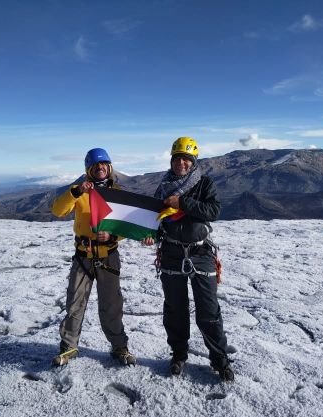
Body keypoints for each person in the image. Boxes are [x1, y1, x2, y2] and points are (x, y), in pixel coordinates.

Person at [145, 137, 234, 381]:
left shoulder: (204, 184)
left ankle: (220, 360)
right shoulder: (163, 187)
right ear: (172, 160)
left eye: (187, 159)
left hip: (200, 253)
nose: (181, 163)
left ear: (193, 162)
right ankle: (179, 355)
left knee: (209, 310)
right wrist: (150, 235)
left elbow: (212, 211)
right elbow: (156, 219)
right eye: (177, 159)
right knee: (175, 309)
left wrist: (182, 201)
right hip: (172, 254)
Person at [51, 148, 136, 367]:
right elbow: (58, 211)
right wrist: (76, 192)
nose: (100, 168)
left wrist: (112, 234)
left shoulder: (117, 193)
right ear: (89, 169)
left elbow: (127, 226)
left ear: (109, 167)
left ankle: (119, 347)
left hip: (108, 256)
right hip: (83, 256)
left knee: (111, 304)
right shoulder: (79, 191)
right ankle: (68, 346)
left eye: (103, 164)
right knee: (75, 302)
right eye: (95, 165)